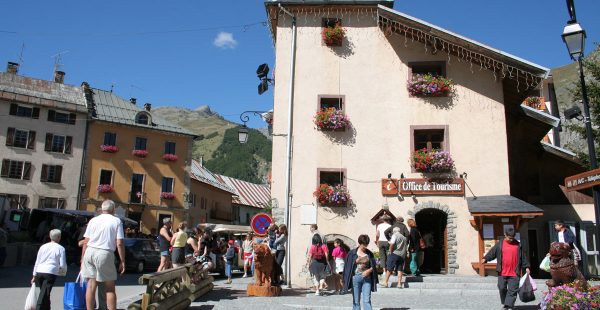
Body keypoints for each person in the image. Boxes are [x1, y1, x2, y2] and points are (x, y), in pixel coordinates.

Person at [81, 200, 125, 310]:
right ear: (113, 209)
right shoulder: (116, 221)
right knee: (109, 288)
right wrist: (122, 261)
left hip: (90, 251)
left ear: (102, 209)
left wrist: (82, 258)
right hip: (104, 252)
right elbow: (119, 243)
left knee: (91, 286)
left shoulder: (93, 220)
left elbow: (86, 241)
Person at [482, 227, 530, 310]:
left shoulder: (518, 245)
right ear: (505, 235)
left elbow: (523, 256)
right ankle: (506, 302)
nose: (511, 240)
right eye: (509, 238)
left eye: (513, 238)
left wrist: (526, 267)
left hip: (515, 272)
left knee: (513, 290)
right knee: (501, 287)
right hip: (502, 272)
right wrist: (485, 258)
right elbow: (492, 253)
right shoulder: (499, 244)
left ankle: (508, 305)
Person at [31, 229, 67, 310]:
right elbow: (62, 264)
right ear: (58, 237)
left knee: (44, 292)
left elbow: (37, 261)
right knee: (45, 293)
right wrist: (62, 272)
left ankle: (47, 308)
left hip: (40, 271)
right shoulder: (61, 248)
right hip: (51, 272)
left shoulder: (43, 246)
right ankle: (39, 307)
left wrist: (34, 275)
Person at [342, 234, 378, 310]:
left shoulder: (369, 254)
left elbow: (374, 266)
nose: (365, 247)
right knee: (356, 301)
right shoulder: (352, 253)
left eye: (366, 244)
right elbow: (347, 267)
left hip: (367, 279)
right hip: (356, 278)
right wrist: (355, 262)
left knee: (367, 300)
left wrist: (369, 270)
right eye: (363, 245)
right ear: (359, 243)